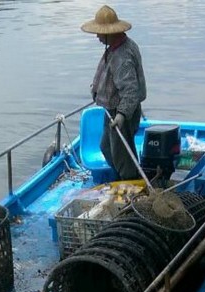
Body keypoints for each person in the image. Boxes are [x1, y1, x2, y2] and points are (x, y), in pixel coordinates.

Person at [81, 5, 147, 180]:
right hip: (110, 109)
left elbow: (131, 90)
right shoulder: (117, 47)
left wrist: (122, 114)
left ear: (110, 33)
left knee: (122, 154)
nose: (97, 36)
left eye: (100, 32)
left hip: (120, 111)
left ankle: (132, 184)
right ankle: (122, 176)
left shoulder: (123, 55)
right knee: (106, 147)